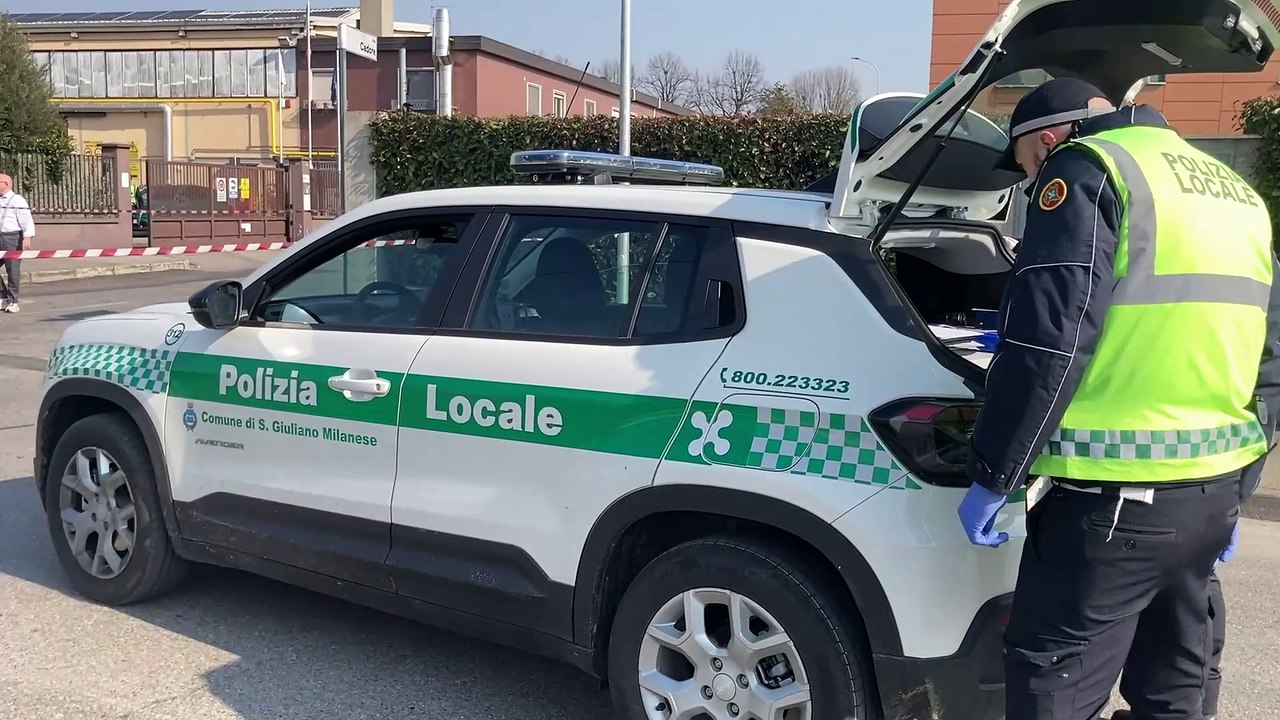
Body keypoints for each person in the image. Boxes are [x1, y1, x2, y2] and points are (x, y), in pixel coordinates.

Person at [954, 76, 1280, 720]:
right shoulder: (1232, 189)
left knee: (1058, 686)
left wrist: (995, 472)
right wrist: (1240, 483)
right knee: (1177, 689)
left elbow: (1052, 341)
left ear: (1046, 139)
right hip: (1210, 495)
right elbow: (1272, 355)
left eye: (1024, 167)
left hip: (1110, 500)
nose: (1028, 181)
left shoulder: (1087, 169)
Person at [0, 172, 35, 313]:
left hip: (12, 237)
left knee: (12, 268)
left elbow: (26, 219)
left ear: (6, 184)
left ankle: (13, 300)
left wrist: (27, 237)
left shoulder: (17, 200)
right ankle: (3, 295)